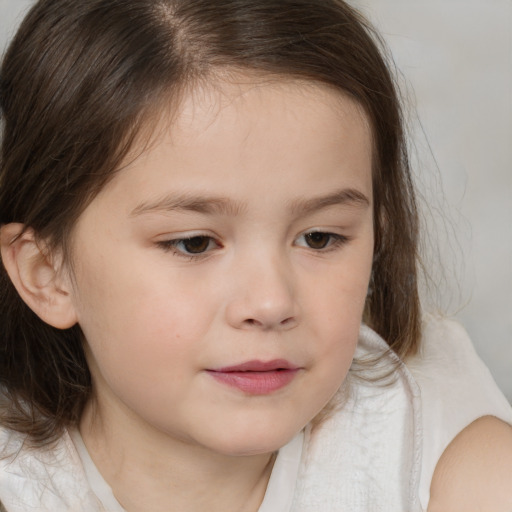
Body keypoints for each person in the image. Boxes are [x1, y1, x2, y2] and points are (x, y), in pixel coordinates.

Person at [0, 1, 510, 511]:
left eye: (319, 238)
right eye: (194, 243)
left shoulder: (451, 465)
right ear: (48, 274)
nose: (270, 303)